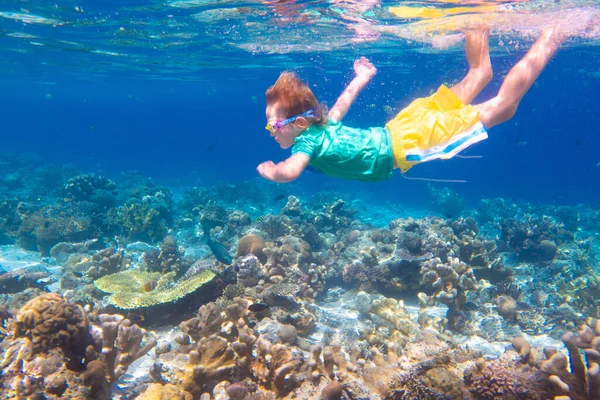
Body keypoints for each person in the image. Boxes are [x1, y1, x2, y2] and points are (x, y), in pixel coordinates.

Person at [257, 27, 563, 183]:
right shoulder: (322, 126)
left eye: (273, 124)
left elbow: (293, 170)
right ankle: (477, 16)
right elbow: (342, 103)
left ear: (298, 123)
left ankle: (553, 33)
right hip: (405, 124)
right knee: (479, 75)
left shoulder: (307, 144)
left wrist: (274, 172)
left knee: (504, 106)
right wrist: (361, 77)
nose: (270, 131)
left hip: (411, 139)